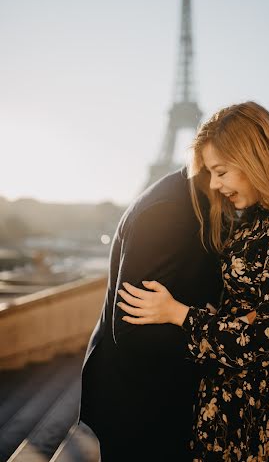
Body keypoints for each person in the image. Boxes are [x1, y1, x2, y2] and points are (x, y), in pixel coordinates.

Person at [118, 101, 269, 461]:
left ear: (255, 161)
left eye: (221, 171)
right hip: (229, 387)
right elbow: (247, 316)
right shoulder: (256, 219)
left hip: (260, 402)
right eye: (210, 172)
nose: (215, 184)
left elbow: (259, 341)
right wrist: (228, 318)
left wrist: (179, 314)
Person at [79, 168, 223, 461]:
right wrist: (219, 344)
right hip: (139, 402)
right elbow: (134, 330)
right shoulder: (168, 210)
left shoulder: (188, 198)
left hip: (145, 395)